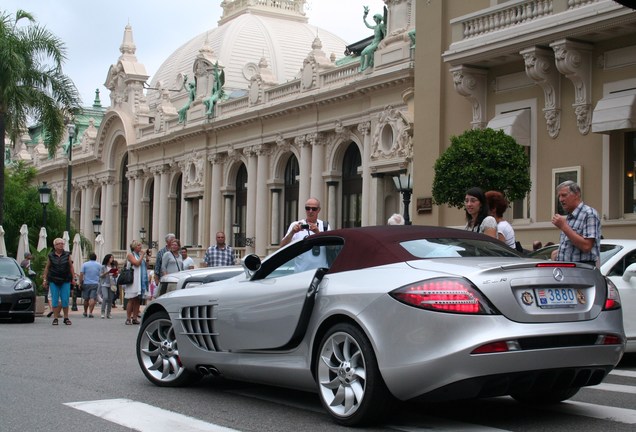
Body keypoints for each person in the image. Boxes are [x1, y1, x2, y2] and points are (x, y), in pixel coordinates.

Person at [551, 180, 601, 266]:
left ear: (577, 194)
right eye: (559, 196)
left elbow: (586, 246)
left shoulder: (589, 214)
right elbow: (572, 247)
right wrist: (558, 254)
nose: (561, 199)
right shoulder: (570, 217)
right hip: (567, 270)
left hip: (581, 270)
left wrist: (564, 226)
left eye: (564, 195)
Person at [280, 197, 330, 271]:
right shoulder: (296, 225)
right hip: (301, 273)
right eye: (307, 208)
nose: (310, 211)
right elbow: (282, 246)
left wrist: (317, 233)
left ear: (319, 210)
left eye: (314, 209)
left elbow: (331, 246)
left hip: (320, 272)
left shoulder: (324, 226)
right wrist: (292, 232)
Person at [42, 238, 75, 326]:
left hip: (65, 280)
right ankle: (55, 318)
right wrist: (45, 279)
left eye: (62, 244)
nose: (61, 245)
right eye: (59, 244)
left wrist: (73, 278)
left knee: (65, 300)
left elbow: (71, 267)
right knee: (55, 300)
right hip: (54, 279)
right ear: (55, 246)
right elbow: (47, 267)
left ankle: (66, 317)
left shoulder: (67, 255)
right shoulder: (51, 255)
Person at [124, 240, 149, 325]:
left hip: (140, 280)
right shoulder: (130, 255)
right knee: (131, 299)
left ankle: (135, 318)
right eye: (138, 245)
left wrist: (147, 259)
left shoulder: (139, 255)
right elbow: (137, 263)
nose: (140, 247)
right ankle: (128, 318)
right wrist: (142, 256)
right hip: (133, 280)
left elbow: (145, 266)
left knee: (138, 299)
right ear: (134, 247)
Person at [359, 6, 386, 72]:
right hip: (373, 42)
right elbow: (368, 26)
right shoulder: (375, 26)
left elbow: (384, 34)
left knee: (369, 51)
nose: (374, 19)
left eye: (375, 18)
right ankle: (361, 67)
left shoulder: (381, 26)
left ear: (378, 18)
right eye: (374, 18)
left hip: (377, 42)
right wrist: (364, 18)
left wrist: (384, 42)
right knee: (362, 53)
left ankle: (367, 64)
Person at [80, 253, 102, 318]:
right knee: (92, 298)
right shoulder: (99, 265)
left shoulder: (85, 264)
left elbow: (81, 274)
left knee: (86, 299)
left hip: (86, 283)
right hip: (95, 283)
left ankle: (85, 311)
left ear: (89, 257)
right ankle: (90, 312)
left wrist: (80, 282)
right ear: (96, 258)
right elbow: (101, 274)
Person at [99, 254, 116, 319]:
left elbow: (114, 276)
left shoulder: (113, 266)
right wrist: (107, 272)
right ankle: (102, 312)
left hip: (112, 284)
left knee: (110, 299)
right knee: (105, 297)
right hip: (104, 284)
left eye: (112, 258)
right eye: (111, 258)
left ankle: (108, 313)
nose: (112, 259)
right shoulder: (103, 267)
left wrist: (115, 274)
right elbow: (100, 275)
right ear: (108, 258)